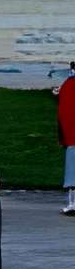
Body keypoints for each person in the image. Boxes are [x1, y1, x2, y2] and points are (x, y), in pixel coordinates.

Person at [58, 68, 75, 217]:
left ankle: (72, 204)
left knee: (72, 174)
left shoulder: (68, 86)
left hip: (72, 138)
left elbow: (64, 114)